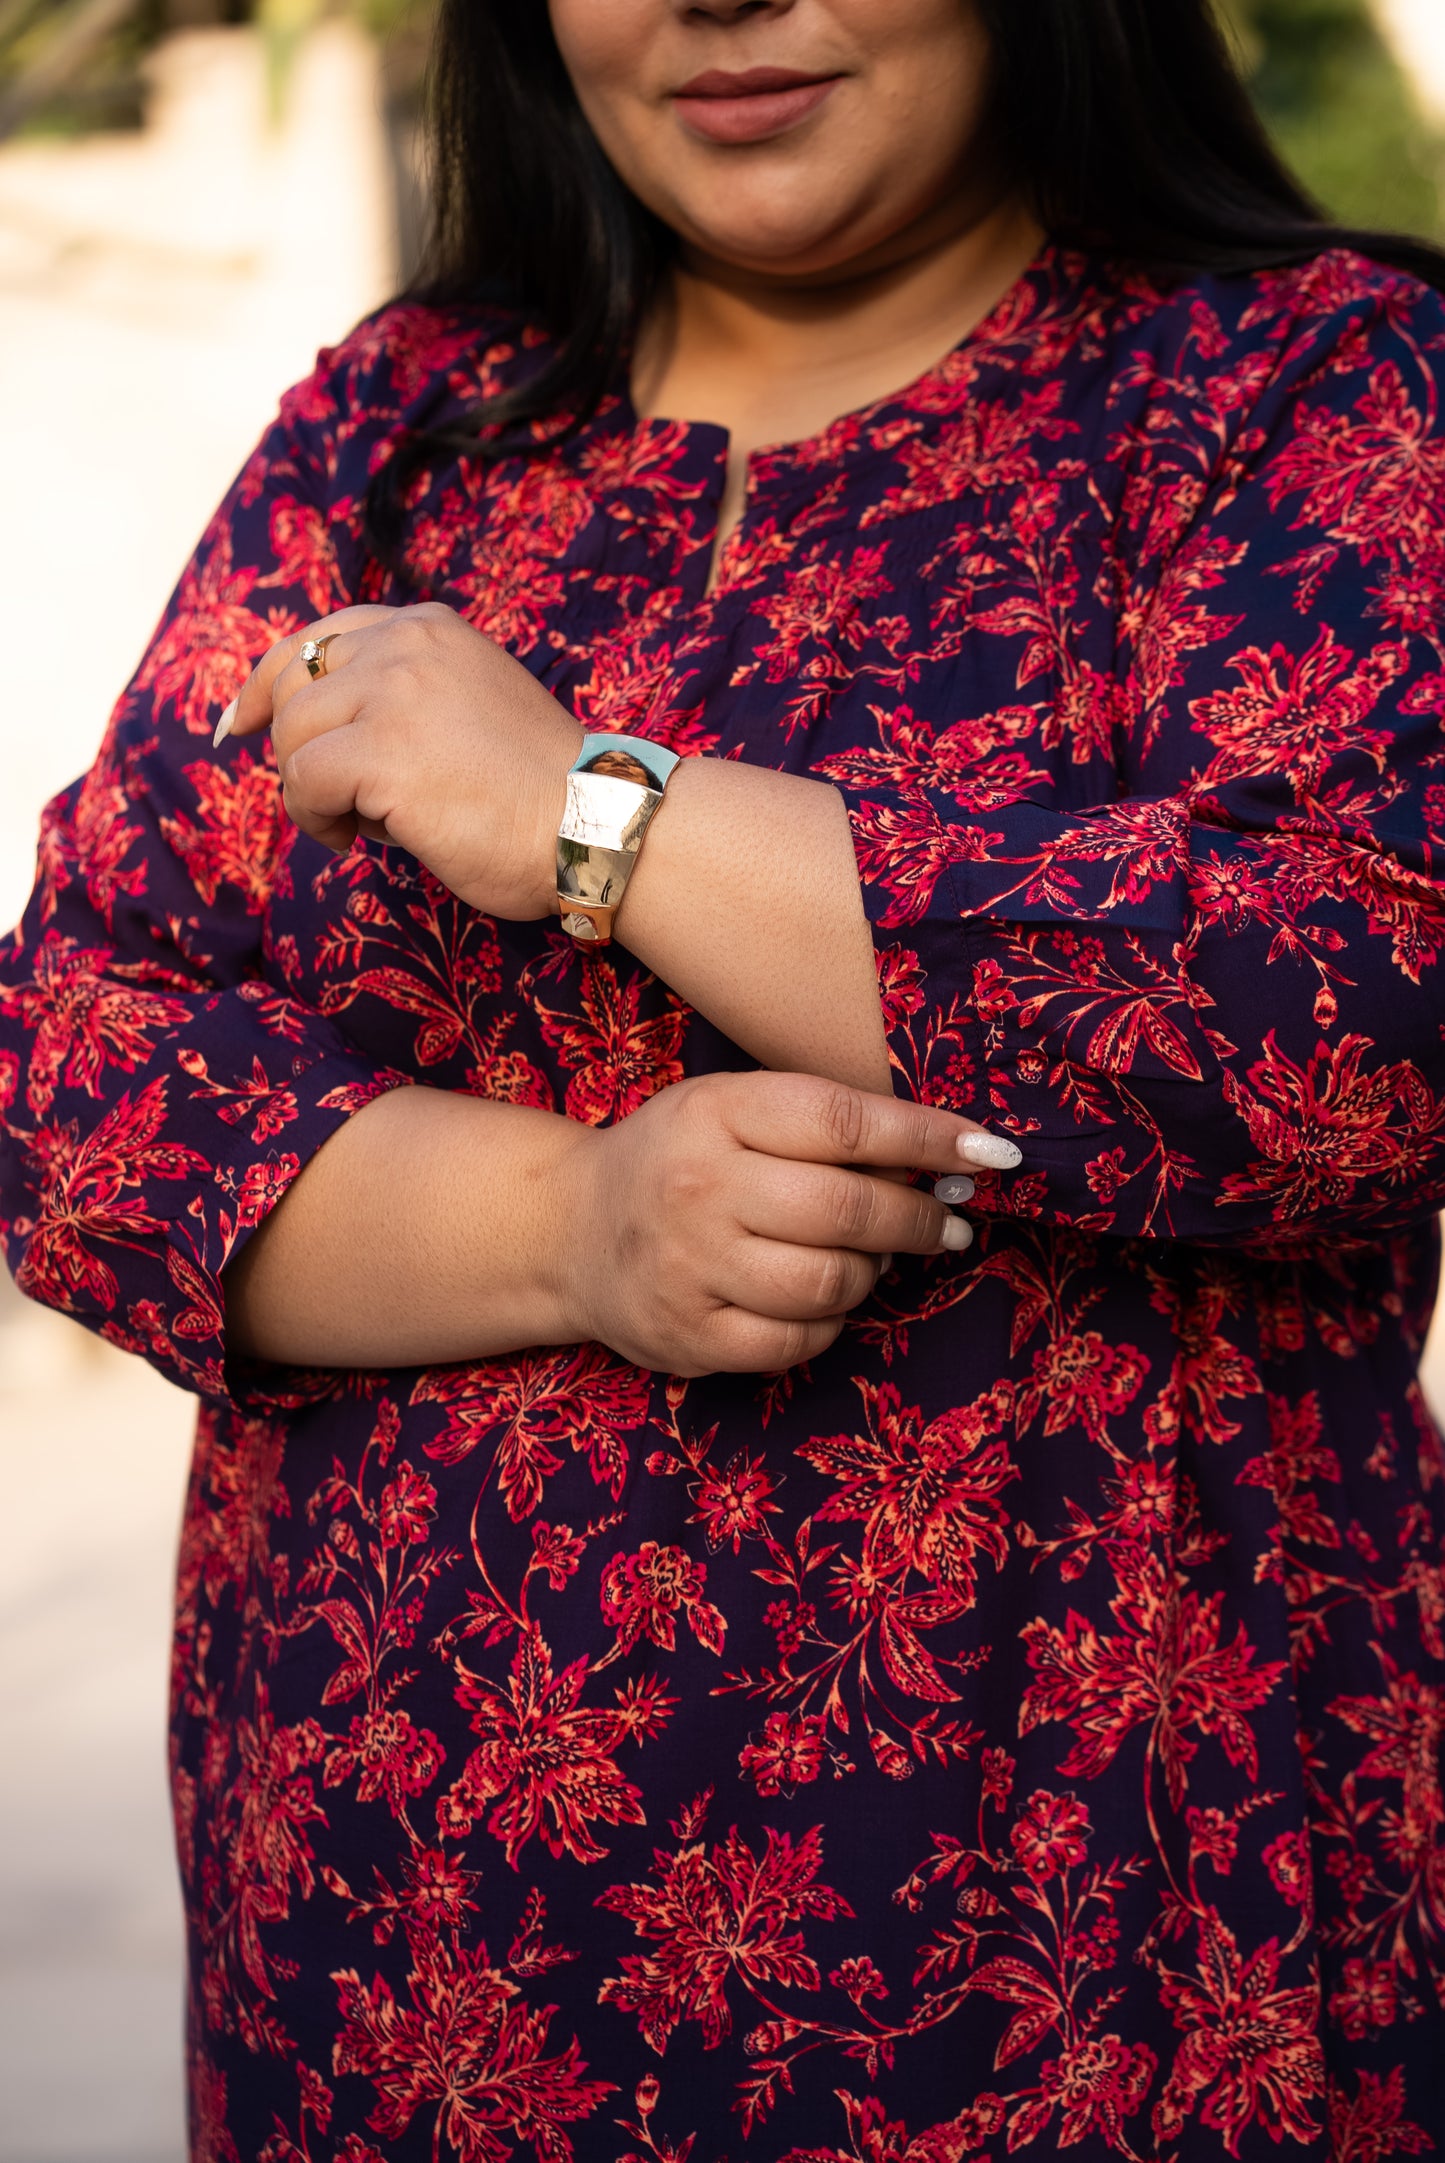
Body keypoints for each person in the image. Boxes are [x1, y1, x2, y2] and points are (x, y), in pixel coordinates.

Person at [3, 0, 1445, 2152]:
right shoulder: (402, 435)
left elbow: (1352, 1021)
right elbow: (69, 1068)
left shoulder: (1308, 387)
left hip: (1102, 1980)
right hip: (389, 2001)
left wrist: (604, 817)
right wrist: (575, 1227)